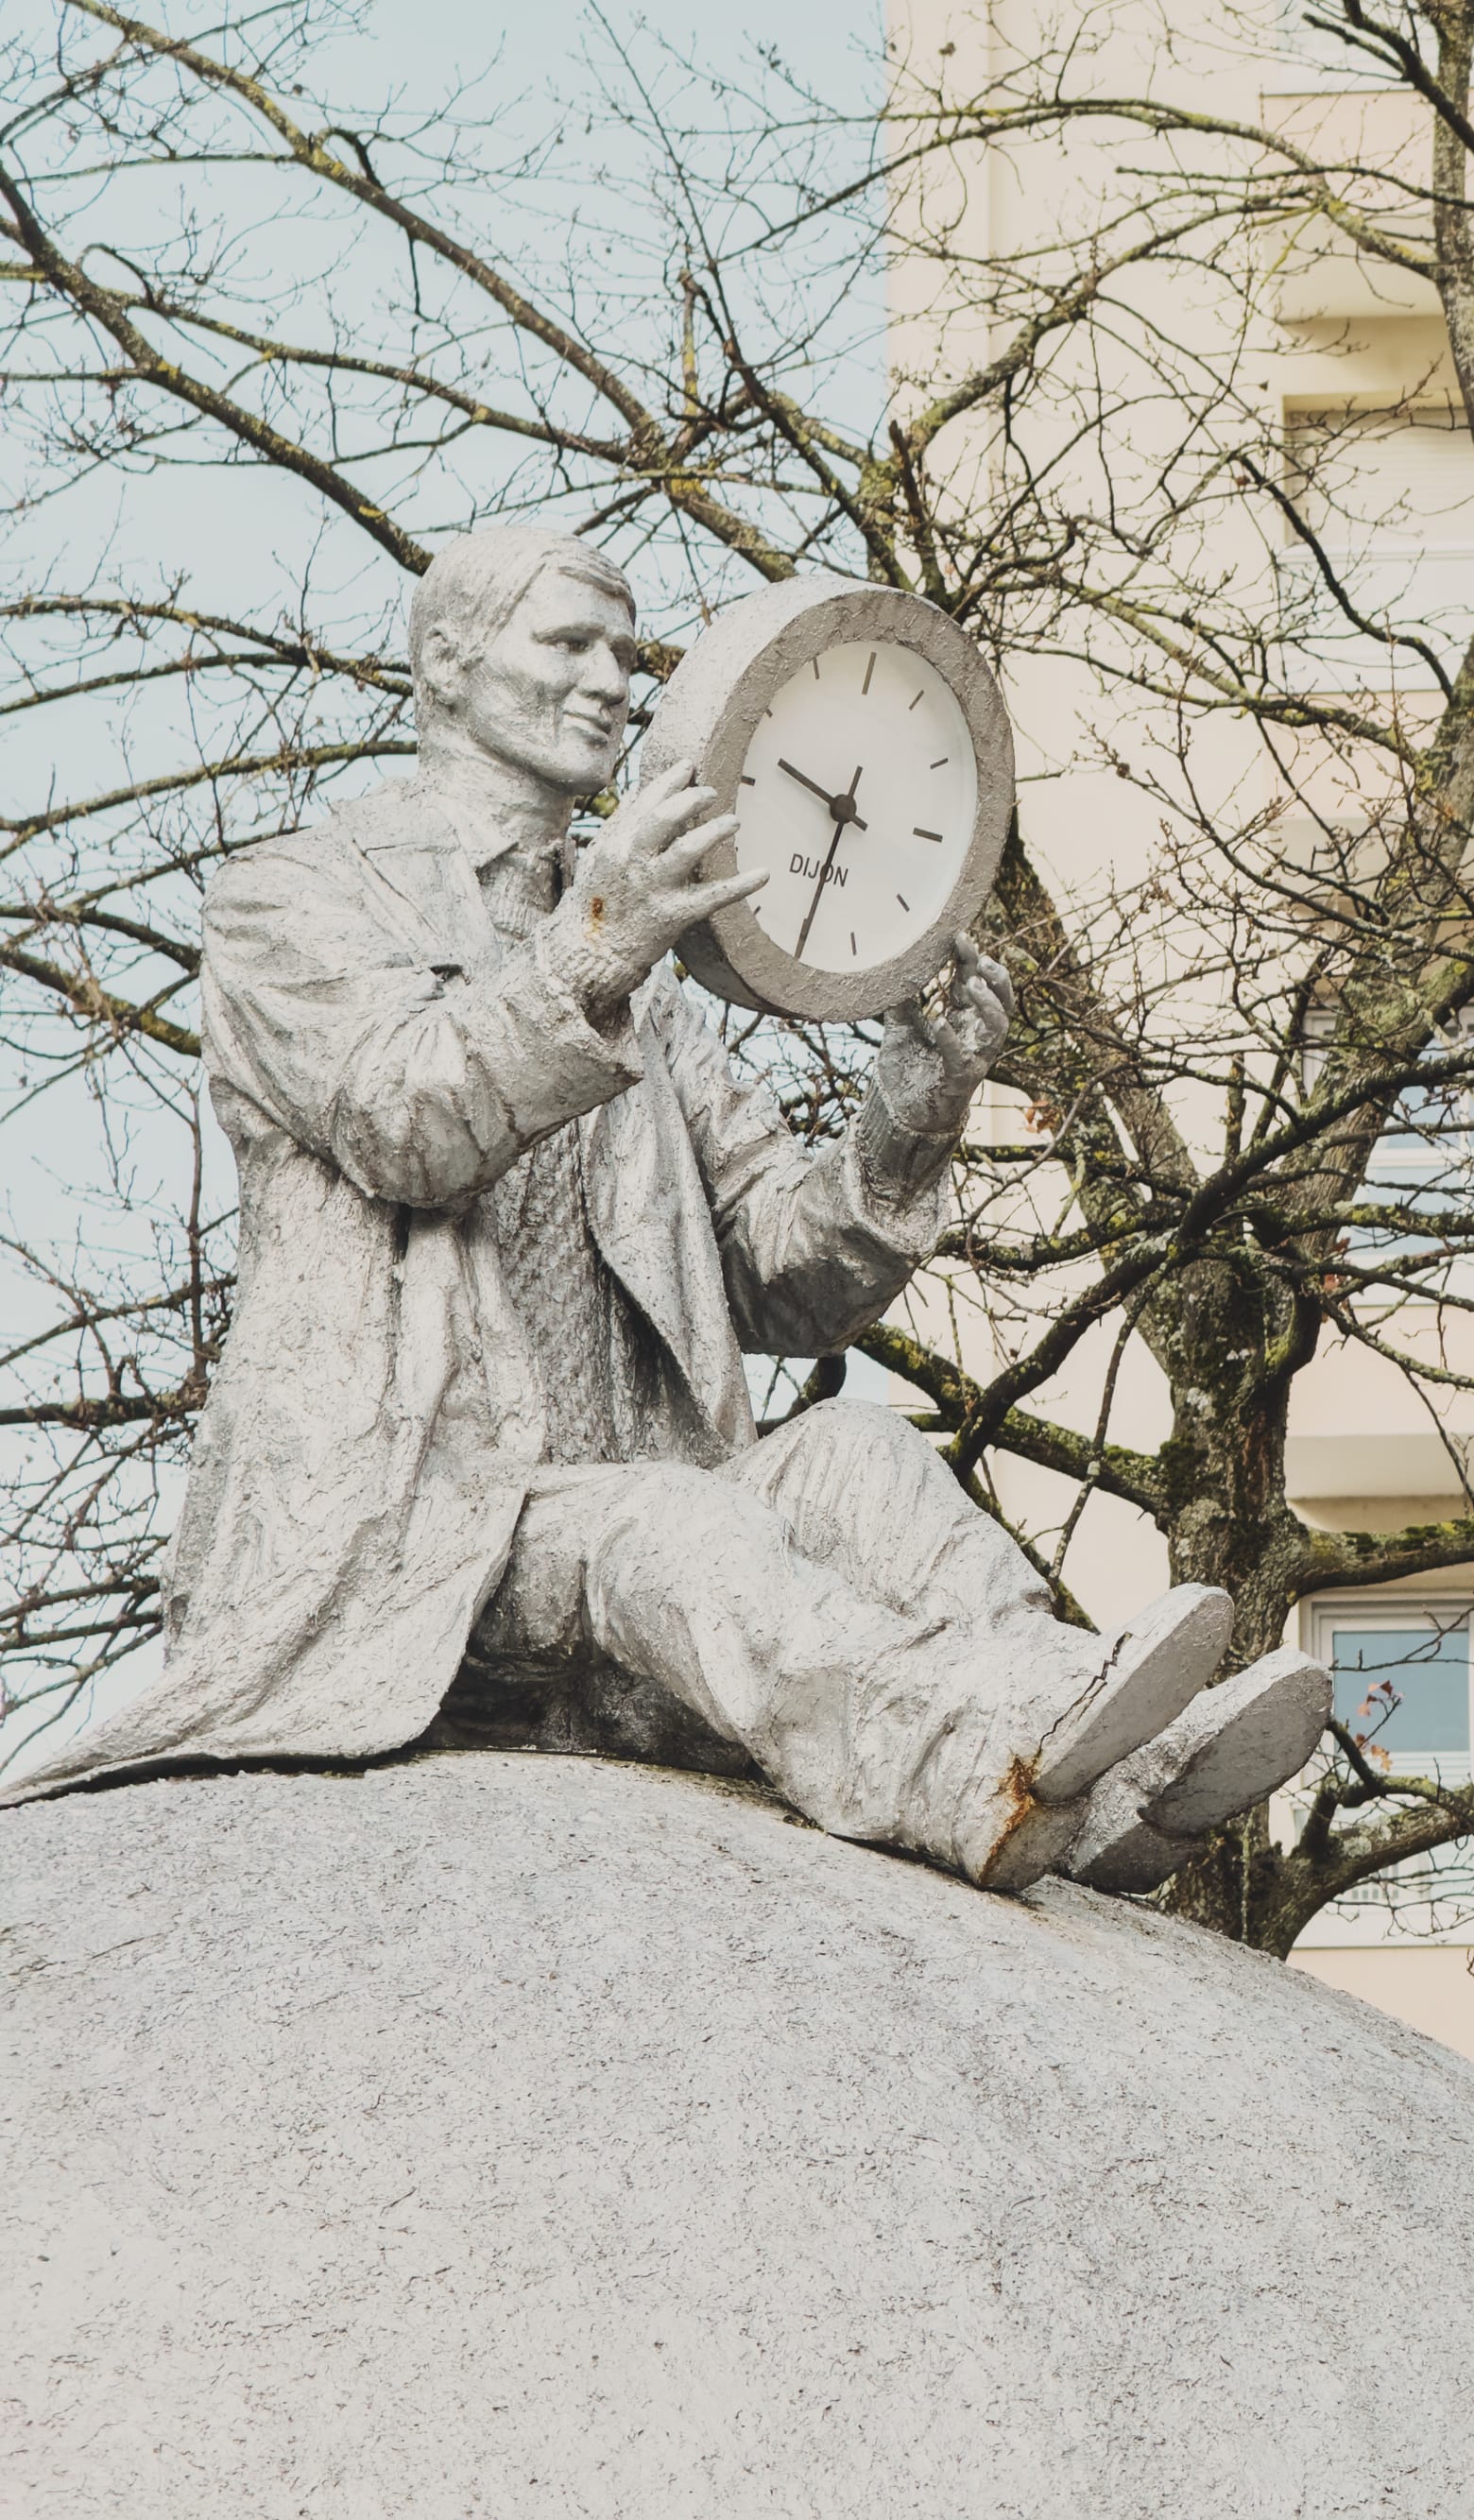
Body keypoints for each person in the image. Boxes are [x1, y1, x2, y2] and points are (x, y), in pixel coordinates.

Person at [1, 528, 1328, 1887]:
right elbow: (403, 1120)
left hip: (647, 1542)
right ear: (446, 666)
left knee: (856, 1459)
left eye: (626, 656)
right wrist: (593, 946)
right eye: (566, 644)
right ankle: (968, 1764)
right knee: (662, 1526)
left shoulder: (657, 999)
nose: (610, 683)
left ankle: (1094, 1762)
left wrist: (913, 1114)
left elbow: (783, 1277)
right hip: (427, 1540)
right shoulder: (296, 899)